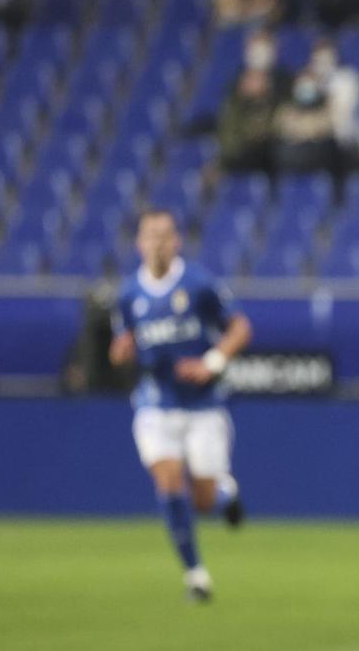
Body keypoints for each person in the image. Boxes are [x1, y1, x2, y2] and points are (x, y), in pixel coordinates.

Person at [106, 210, 251, 603]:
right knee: (169, 481)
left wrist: (211, 362)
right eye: (149, 236)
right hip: (156, 402)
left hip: (203, 407)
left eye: (164, 236)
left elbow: (239, 327)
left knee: (202, 501)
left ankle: (224, 493)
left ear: (177, 242)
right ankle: (196, 576)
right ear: (138, 242)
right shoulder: (127, 294)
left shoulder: (199, 285)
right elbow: (125, 340)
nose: (156, 243)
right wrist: (121, 350)